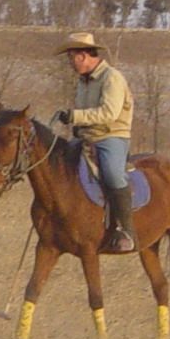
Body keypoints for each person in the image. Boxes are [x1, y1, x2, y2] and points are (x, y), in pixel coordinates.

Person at [54, 32, 136, 253]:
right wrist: (75, 124)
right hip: (87, 137)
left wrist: (76, 117)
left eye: (71, 58)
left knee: (111, 173)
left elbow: (109, 113)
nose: (70, 63)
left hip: (112, 136)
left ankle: (125, 230)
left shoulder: (112, 78)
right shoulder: (82, 82)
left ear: (82, 55)